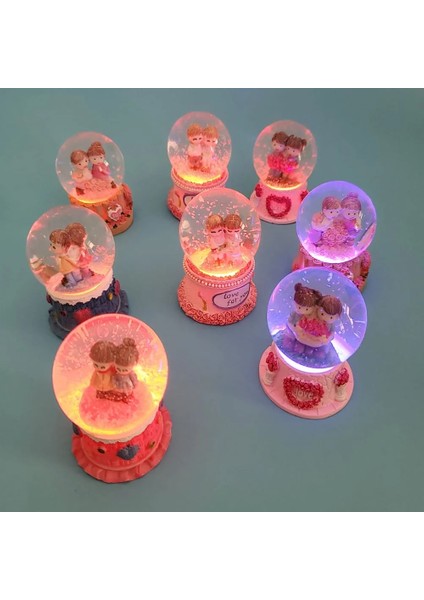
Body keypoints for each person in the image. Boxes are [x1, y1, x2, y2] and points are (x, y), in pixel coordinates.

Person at [112, 338, 139, 402]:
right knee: (118, 397)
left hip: (128, 388)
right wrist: (114, 384)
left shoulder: (131, 374)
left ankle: (127, 399)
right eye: (118, 368)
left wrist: (135, 384)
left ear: (134, 364)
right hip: (118, 389)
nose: (121, 371)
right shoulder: (116, 373)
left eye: (125, 370)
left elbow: (134, 380)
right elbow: (113, 378)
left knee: (128, 397)